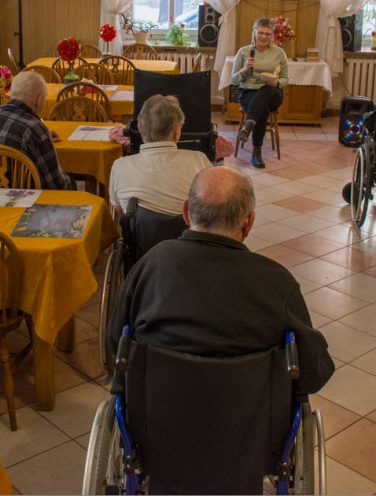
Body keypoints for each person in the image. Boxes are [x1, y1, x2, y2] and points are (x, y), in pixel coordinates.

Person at [108, 167, 334, 396]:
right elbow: (313, 374)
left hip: (152, 420)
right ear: (249, 222)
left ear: (186, 213)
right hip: (252, 427)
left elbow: (116, 340)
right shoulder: (277, 281)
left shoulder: (152, 263)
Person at [109, 94, 211, 216]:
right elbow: (212, 207)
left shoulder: (119, 166)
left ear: (140, 127)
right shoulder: (200, 161)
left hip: (141, 234)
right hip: (188, 233)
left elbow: (122, 213)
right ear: (177, 131)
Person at [0, 71, 74, 190]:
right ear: (39, 99)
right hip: (25, 199)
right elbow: (57, 186)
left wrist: (42, 139)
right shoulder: (36, 128)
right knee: (70, 183)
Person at [230, 18, 290, 168]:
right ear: (254, 33)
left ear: (272, 36)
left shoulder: (279, 53)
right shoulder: (244, 52)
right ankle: (256, 152)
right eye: (260, 33)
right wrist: (244, 70)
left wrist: (277, 83)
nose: (263, 37)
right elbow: (233, 80)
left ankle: (249, 125)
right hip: (249, 93)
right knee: (261, 108)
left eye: (267, 34)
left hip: (273, 93)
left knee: (266, 91)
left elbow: (285, 78)